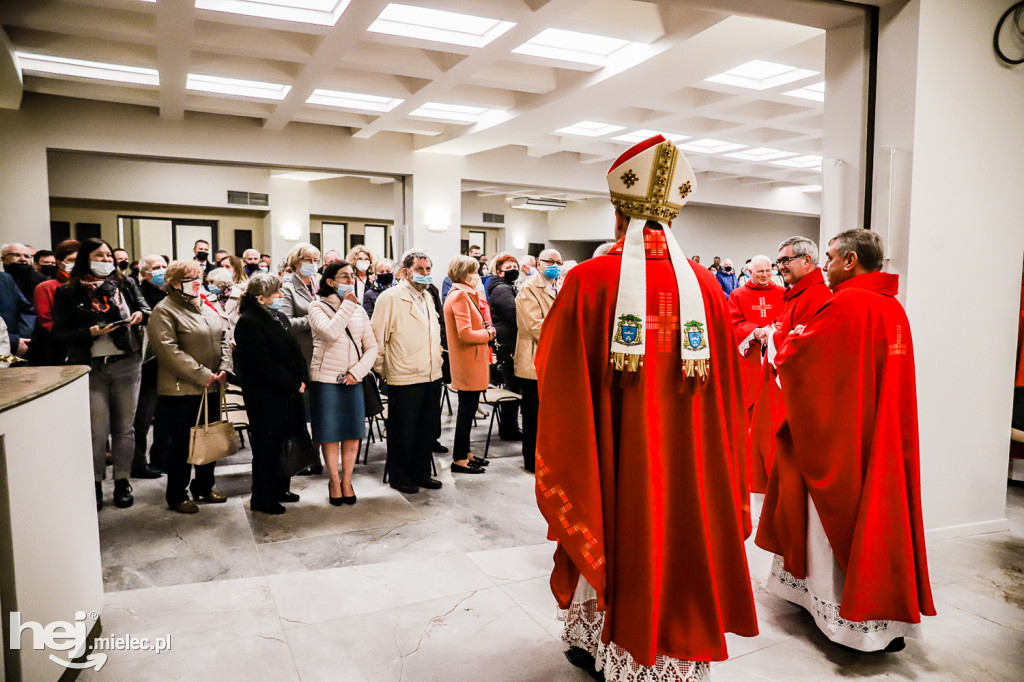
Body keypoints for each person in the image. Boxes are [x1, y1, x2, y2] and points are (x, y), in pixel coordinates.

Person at [536, 135, 757, 680]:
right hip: (689, 460)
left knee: (610, 519)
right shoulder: (707, 285)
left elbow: (555, 370)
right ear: (672, 221)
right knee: (679, 528)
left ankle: (600, 637)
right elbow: (728, 388)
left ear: (618, 215)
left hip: (612, 452)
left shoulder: (587, 281)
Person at [755, 229, 936, 653]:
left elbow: (802, 360)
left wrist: (778, 342)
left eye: (832, 258)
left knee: (834, 521)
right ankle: (880, 618)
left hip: (842, 440)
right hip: (881, 434)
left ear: (851, 261)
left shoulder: (846, 303)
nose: (826, 265)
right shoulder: (893, 308)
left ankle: (847, 616)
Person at [52, 238, 151, 510]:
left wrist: (140, 315)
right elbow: (58, 332)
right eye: (99, 255)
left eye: (109, 255)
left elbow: (145, 308)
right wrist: (90, 333)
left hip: (126, 363)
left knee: (125, 428)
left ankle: (122, 480)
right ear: (86, 258)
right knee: (97, 432)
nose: (106, 260)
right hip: (92, 367)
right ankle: (95, 482)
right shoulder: (68, 291)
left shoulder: (125, 283)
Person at [747, 236, 831, 493]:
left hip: (790, 394)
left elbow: (806, 347)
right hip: (775, 385)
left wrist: (771, 335)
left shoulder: (816, 296)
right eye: (778, 261)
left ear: (807, 261)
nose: (779, 267)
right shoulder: (795, 294)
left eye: (785, 260)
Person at [148, 260, 232, 514]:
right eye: (190, 277)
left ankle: (204, 486)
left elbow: (224, 337)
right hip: (181, 390)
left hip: (212, 386)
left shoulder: (203, 306)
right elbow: (168, 351)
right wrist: (202, 374)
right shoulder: (164, 310)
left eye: (199, 276)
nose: (198, 281)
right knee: (182, 446)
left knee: (210, 439)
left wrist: (224, 367)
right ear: (174, 283)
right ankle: (177, 494)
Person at [232, 273, 308, 515]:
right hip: (266, 395)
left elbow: (296, 351)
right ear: (261, 299)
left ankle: (281, 487)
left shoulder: (279, 316)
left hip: (288, 391)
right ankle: (263, 496)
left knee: (285, 441)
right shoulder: (249, 322)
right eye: (275, 293)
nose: (280, 296)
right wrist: (292, 384)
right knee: (267, 447)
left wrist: (302, 379)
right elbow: (262, 364)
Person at [371, 250, 444, 494]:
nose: (425, 274)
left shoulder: (428, 296)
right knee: (404, 429)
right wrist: (386, 370)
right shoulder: (390, 297)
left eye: (428, 269)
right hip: (404, 374)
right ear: (405, 271)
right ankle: (400, 475)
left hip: (431, 373)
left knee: (426, 428)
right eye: (420, 269)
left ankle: (421, 473)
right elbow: (376, 339)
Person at [308, 261, 378, 505]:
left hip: (353, 380)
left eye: (352, 276)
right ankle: (334, 480)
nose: (350, 280)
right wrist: (348, 305)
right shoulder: (316, 307)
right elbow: (330, 332)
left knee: (352, 434)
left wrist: (357, 372)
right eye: (344, 277)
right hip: (326, 380)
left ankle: (347, 480)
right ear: (330, 281)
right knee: (330, 434)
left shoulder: (359, 311)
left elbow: (371, 347)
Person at [443, 255, 495, 474]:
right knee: (466, 411)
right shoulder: (460, 296)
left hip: (471, 359)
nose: (478, 275)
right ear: (462, 274)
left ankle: (465, 452)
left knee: (469, 408)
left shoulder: (465, 294)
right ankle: (458, 458)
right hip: (467, 360)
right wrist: (488, 333)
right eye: (473, 271)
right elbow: (465, 334)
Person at [514, 248, 560, 472]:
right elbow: (534, 326)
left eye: (558, 262)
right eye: (549, 261)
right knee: (532, 414)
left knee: (548, 415)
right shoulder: (529, 288)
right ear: (538, 264)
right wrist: (565, 332)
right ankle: (531, 460)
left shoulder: (558, 285)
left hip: (553, 359)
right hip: (534, 359)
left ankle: (547, 456)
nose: (554, 265)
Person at [728, 254, 784, 420]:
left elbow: (787, 318)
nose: (765, 275)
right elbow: (733, 323)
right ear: (750, 271)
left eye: (768, 271)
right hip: (749, 358)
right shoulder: (737, 295)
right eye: (760, 271)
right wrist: (755, 332)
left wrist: (772, 331)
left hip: (775, 353)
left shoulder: (783, 293)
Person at [130, 254, 169, 479]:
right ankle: (138, 462)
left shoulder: (168, 293)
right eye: (156, 267)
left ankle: (160, 458)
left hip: (164, 361)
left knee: (164, 416)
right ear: (144, 273)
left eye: (164, 266)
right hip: (145, 361)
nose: (161, 271)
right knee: (142, 417)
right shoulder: (138, 293)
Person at [485, 253, 522, 440]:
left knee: (513, 385)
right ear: (499, 272)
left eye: (515, 266)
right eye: (508, 268)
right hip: (508, 343)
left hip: (509, 341)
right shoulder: (501, 289)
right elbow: (514, 314)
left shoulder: (507, 287)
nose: (513, 270)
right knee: (512, 387)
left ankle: (510, 426)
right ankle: (509, 428)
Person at [29, 239, 79, 365]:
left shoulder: (88, 285)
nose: (76, 264)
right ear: (59, 262)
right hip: (59, 347)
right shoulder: (46, 287)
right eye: (71, 260)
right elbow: (46, 320)